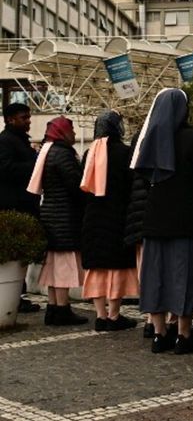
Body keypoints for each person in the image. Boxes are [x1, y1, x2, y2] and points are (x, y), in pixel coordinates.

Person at [133, 88, 193, 355]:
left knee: (155, 275)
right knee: (183, 275)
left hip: (155, 218)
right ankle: (184, 334)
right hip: (186, 220)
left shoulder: (149, 140)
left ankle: (158, 333)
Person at [80, 110, 139, 331]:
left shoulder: (88, 154)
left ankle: (100, 315)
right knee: (115, 267)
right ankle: (114, 315)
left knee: (96, 267)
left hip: (93, 216)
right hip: (117, 216)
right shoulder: (124, 153)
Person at [27, 116, 88, 325]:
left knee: (53, 265)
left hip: (51, 213)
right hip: (65, 216)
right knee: (64, 266)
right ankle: (62, 309)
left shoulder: (47, 151)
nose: (74, 134)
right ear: (63, 132)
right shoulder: (63, 153)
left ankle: (52, 308)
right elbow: (74, 184)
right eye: (71, 130)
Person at [0, 102, 41, 313]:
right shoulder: (6, 141)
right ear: (10, 119)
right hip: (13, 205)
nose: (28, 121)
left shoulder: (19, 141)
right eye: (23, 117)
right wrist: (35, 164)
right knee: (15, 255)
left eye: (28, 117)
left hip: (23, 204)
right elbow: (6, 169)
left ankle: (19, 295)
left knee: (21, 254)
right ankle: (16, 296)